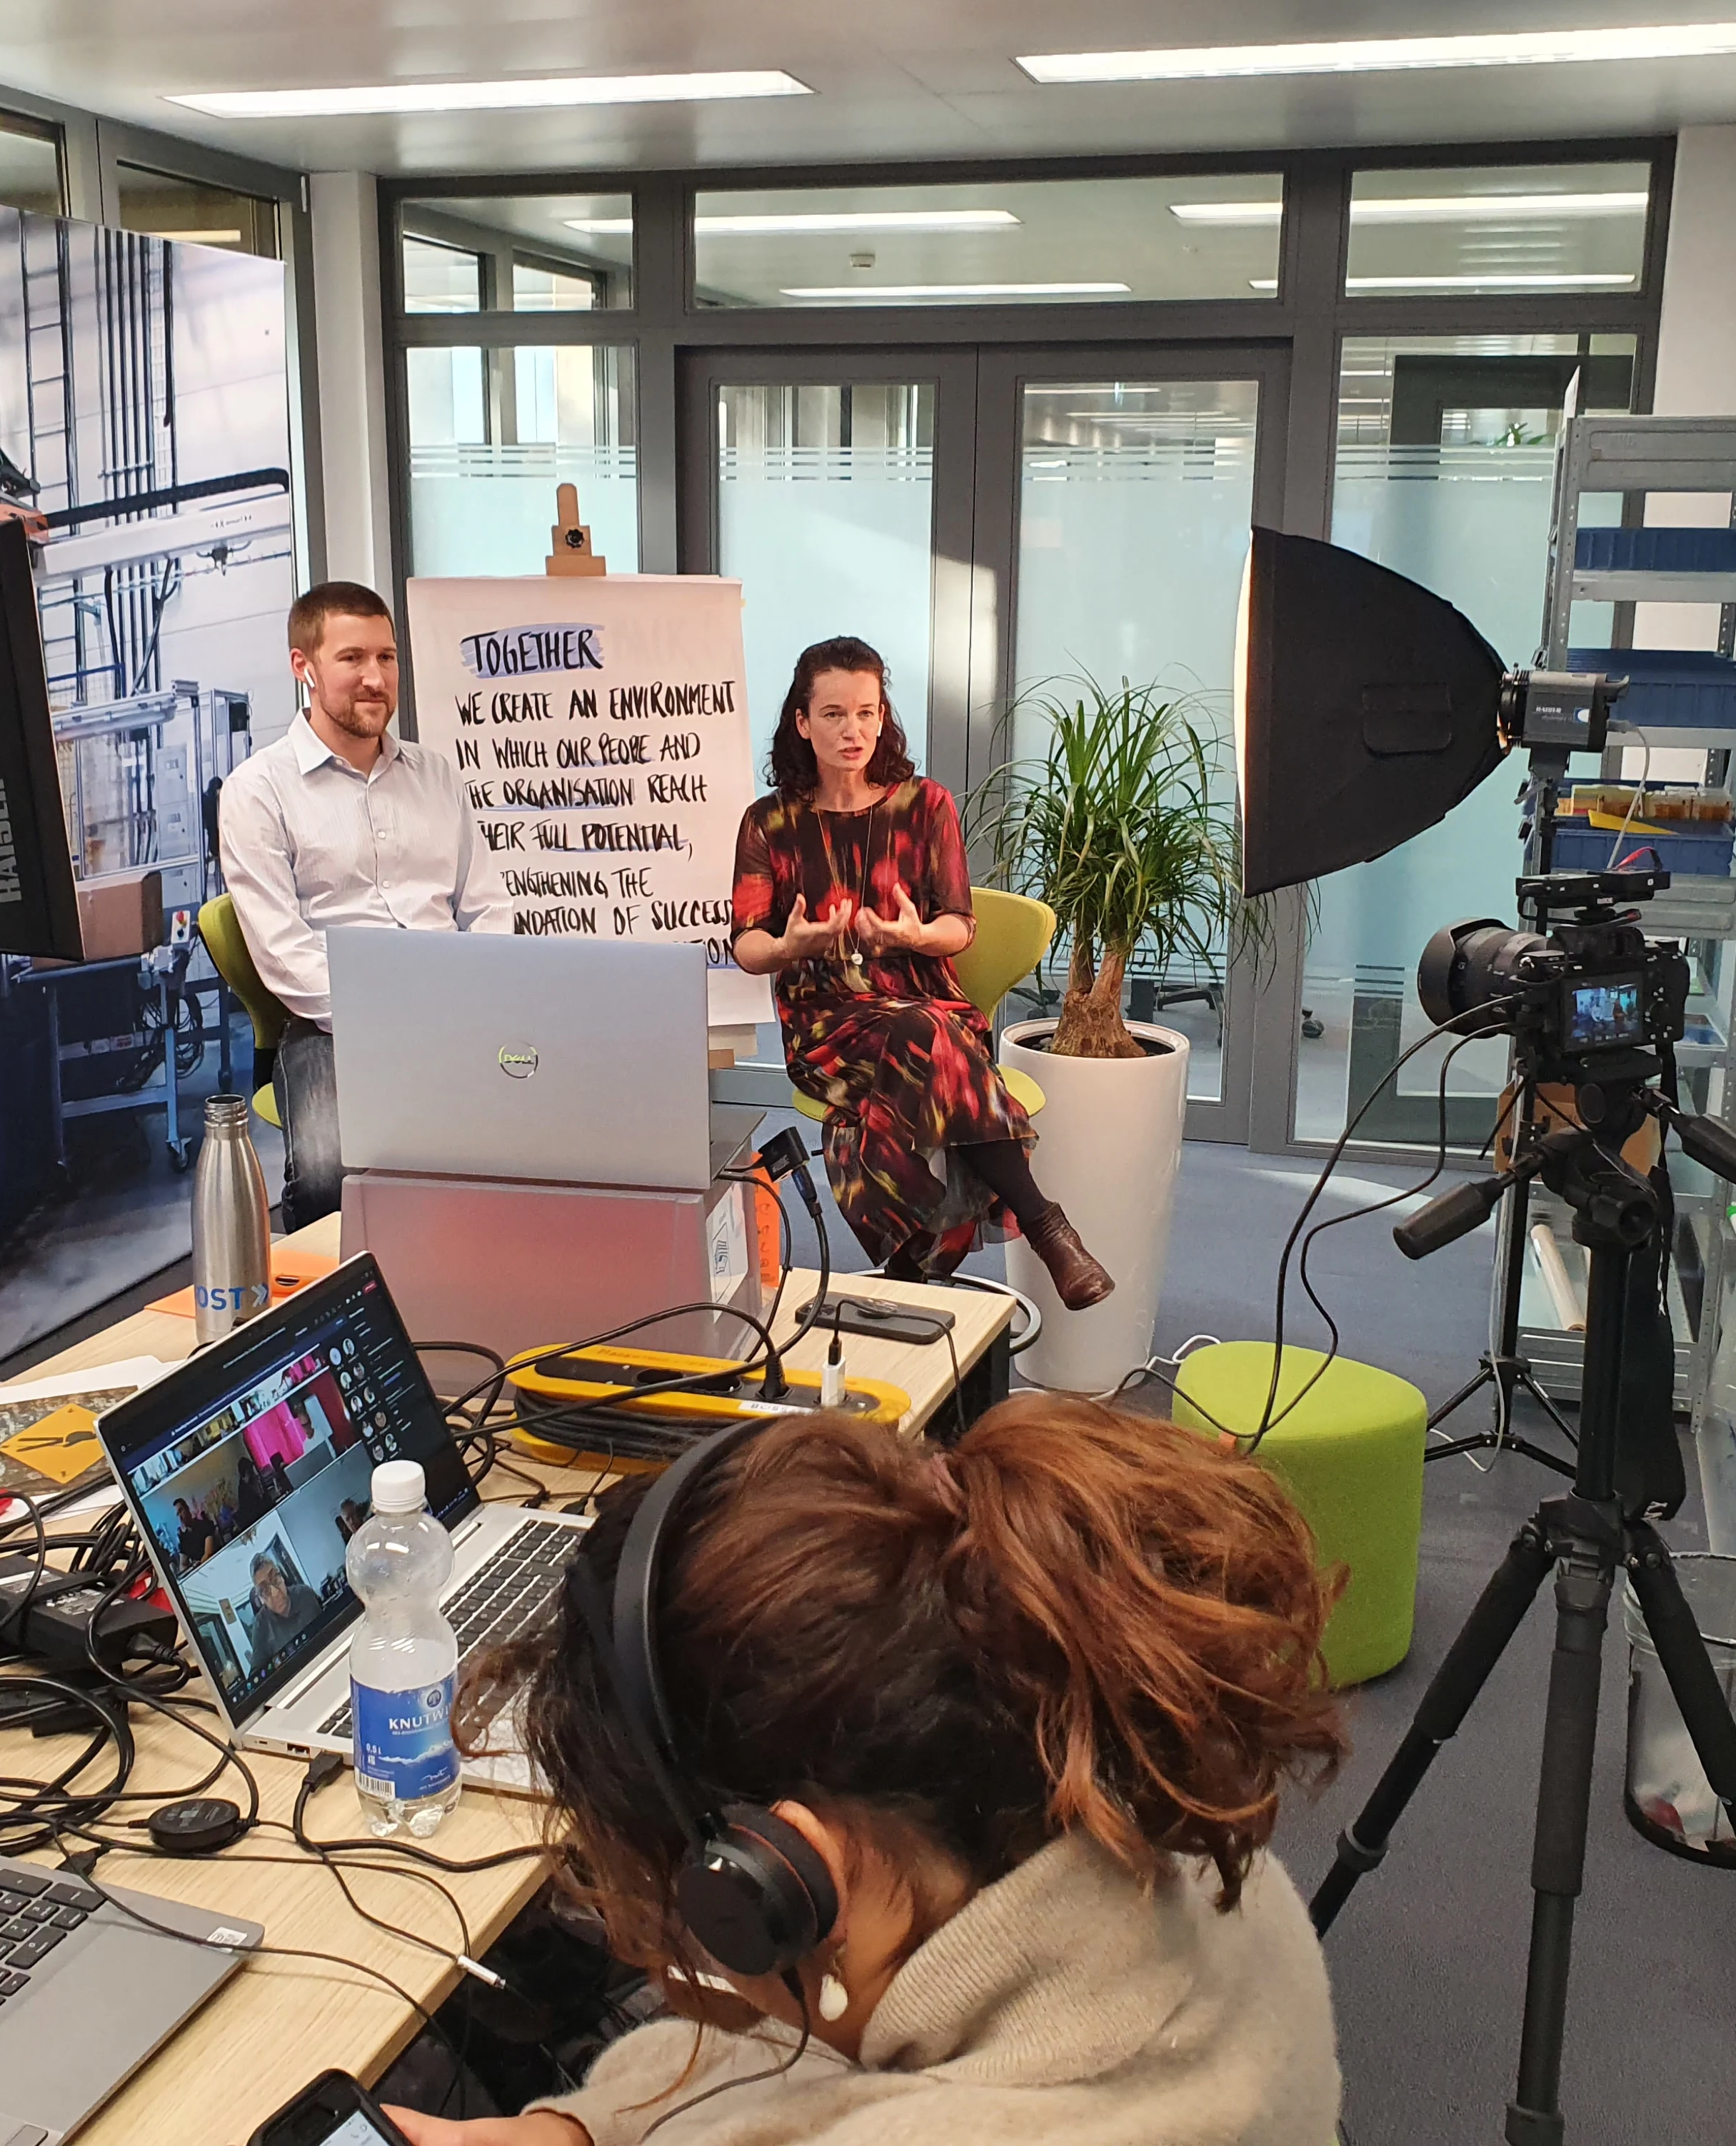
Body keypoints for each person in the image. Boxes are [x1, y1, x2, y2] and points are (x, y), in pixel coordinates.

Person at [398, 1395, 1348, 2146]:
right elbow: (825, 2051)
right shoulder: (1169, 1836)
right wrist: (584, 2130)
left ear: (775, 1880)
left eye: (674, 1900)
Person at [730, 637, 1110, 1307]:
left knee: (925, 1033)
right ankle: (1045, 1226)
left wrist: (914, 936)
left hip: (921, 997)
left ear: (883, 716)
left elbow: (959, 925)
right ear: (802, 722)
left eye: (867, 712)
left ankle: (915, 1270)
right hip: (825, 1020)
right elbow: (748, 945)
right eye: (834, 714)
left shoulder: (926, 805)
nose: (853, 731)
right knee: (933, 1041)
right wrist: (791, 946)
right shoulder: (769, 822)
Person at [218, 579, 506, 1229]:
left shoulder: (437, 776)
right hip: (331, 1025)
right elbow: (284, 952)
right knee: (331, 1178)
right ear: (304, 668)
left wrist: (475, 1002)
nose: (376, 678)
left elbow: (487, 907)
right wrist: (391, 1019)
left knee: (539, 1146)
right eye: (352, 658)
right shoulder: (257, 791)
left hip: (456, 1009)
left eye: (387, 657)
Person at [243, 1554, 313, 1664]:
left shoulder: (305, 1594)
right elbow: (259, 1672)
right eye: (265, 1590)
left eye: (275, 1580)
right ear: (261, 1599)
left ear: (282, 1578)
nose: (275, 1593)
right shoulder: (261, 1627)